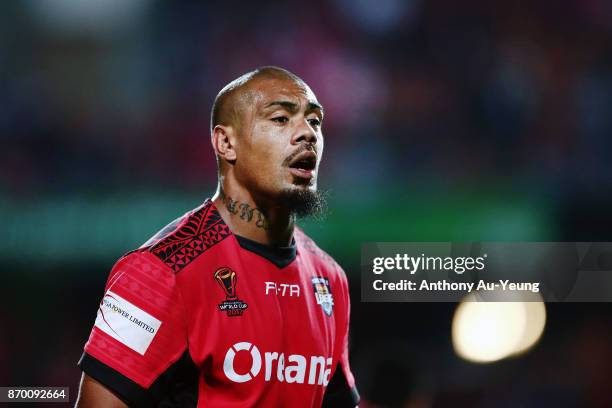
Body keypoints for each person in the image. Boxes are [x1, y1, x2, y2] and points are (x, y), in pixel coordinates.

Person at [75, 66, 360, 407]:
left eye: (315, 121)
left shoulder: (329, 280)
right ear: (226, 143)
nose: (307, 133)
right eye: (282, 119)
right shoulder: (159, 271)